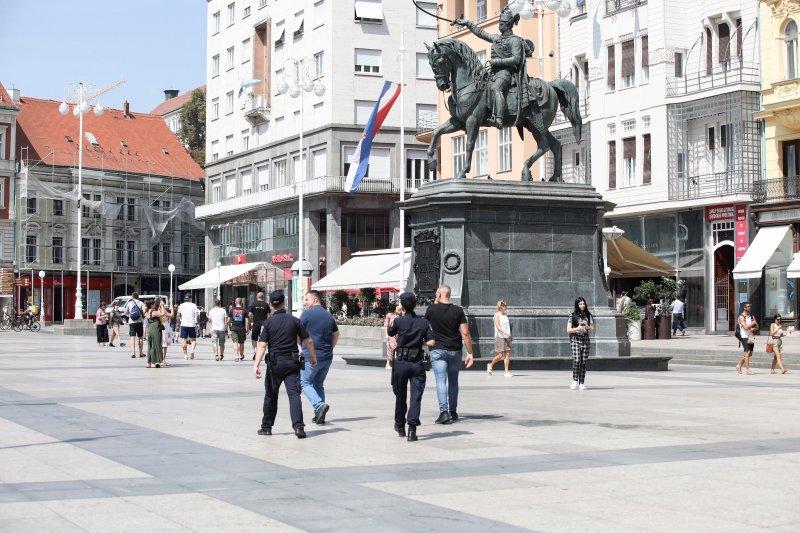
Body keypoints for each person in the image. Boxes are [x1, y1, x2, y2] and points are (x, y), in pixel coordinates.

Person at [452, 6, 538, 127]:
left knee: (496, 88)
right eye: (499, 23)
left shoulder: (515, 41)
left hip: (506, 73)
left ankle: (499, 119)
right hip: (494, 72)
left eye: (502, 24)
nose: (499, 26)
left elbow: (516, 59)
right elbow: (481, 33)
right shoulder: (497, 38)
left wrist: (497, 62)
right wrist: (468, 23)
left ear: (508, 25)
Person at [253, 290, 317, 439]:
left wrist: (256, 365)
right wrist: (313, 357)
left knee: (270, 396)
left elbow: (262, 345)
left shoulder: (268, 323)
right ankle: (299, 428)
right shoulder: (294, 321)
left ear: (271, 305)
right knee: (294, 395)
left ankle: (266, 427)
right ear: (283, 303)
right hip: (292, 364)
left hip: (274, 365)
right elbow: (308, 341)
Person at [388, 292, 435, 442]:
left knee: (400, 395)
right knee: (416, 397)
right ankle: (412, 429)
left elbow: (390, 332)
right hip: (417, 363)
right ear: (415, 305)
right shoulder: (423, 322)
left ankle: (399, 425)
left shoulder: (399, 321)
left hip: (401, 362)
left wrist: (397, 315)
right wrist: (419, 344)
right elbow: (432, 342)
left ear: (402, 305)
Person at [425, 285, 474, 424]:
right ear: (450, 295)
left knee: (440, 381)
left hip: (438, 349)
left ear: (439, 295)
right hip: (455, 350)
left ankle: (444, 412)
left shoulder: (431, 309)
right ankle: (453, 411)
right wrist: (470, 353)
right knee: (453, 381)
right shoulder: (458, 310)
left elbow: (424, 326)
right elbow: (465, 333)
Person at [300, 290, 339, 426]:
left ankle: (318, 405)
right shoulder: (328, 315)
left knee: (304, 382)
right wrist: (331, 347)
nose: (305, 303)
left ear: (315, 300)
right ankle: (319, 415)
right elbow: (336, 334)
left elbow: (298, 333)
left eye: (307, 300)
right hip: (327, 356)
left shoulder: (306, 314)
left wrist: (301, 346)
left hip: (312, 355)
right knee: (318, 384)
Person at [567, 297, 595, 390]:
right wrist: (577, 328)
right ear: (577, 305)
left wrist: (587, 327)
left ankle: (581, 383)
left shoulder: (588, 315)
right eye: (580, 304)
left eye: (583, 303)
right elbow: (568, 330)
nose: (582, 305)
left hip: (585, 339)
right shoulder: (572, 315)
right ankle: (575, 380)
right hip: (575, 339)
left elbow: (592, 328)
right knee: (577, 360)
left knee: (584, 362)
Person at [488, 299, 513, 377]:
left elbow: (508, 327)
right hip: (500, 336)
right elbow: (498, 326)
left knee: (508, 354)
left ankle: (506, 372)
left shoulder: (505, 315)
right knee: (500, 355)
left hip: (507, 337)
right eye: (504, 305)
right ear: (500, 306)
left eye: (506, 305)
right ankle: (490, 365)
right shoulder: (496, 315)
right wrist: (505, 332)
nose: (506, 307)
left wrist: (510, 335)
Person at [145, 298, 168, 368]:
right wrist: (162, 306)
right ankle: (155, 362)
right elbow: (163, 314)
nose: (155, 305)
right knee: (156, 345)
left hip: (150, 328)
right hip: (155, 329)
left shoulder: (147, 311)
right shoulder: (154, 312)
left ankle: (149, 362)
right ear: (152, 305)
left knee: (150, 345)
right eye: (154, 304)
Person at [736, 302, 758, 375]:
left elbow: (757, 327)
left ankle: (739, 365)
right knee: (747, 352)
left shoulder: (752, 316)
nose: (750, 307)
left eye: (750, 306)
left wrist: (753, 329)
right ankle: (748, 369)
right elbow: (745, 327)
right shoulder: (741, 317)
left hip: (751, 336)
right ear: (744, 308)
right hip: (744, 336)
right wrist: (752, 324)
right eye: (748, 306)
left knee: (750, 353)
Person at [248, 292, 270, 361]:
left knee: (254, 339)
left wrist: (250, 322)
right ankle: (261, 352)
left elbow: (249, 314)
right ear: (263, 297)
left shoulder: (253, 304)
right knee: (263, 340)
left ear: (257, 297)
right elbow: (269, 316)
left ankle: (255, 350)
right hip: (264, 325)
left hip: (256, 324)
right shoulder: (266, 305)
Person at [177, 294, 199, 360]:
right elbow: (196, 315)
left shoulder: (181, 305)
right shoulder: (194, 305)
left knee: (184, 339)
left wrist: (178, 322)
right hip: (192, 324)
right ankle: (192, 350)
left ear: (185, 299)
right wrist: (196, 322)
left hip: (184, 324)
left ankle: (185, 354)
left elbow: (178, 315)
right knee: (193, 339)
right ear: (191, 299)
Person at [124, 292, 146, 359]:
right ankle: (141, 352)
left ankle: (133, 353)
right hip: (139, 322)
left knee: (132, 338)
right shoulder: (141, 303)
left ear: (132, 297)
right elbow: (144, 312)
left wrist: (130, 315)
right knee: (140, 338)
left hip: (131, 322)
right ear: (138, 297)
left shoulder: (129, 303)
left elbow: (125, 312)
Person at [228, 297, 248, 361]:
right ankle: (241, 355)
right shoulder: (244, 310)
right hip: (242, 328)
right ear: (241, 303)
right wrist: (247, 328)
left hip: (234, 328)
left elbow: (228, 320)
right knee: (241, 343)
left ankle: (236, 356)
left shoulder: (232, 310)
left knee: (235, 342)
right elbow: (247, 321)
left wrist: (229, 326)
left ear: (235, 302)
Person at [384, 304, 403, 369]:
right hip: (391, 334)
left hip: (397, 334)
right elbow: (386, 325)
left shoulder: (398, 315)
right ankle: (391, 363)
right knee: (393, 347)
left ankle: (389, 363)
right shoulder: (388, 315)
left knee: (392, 348)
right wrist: (386, 334)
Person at [161, 299, 175, 365]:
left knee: (161, 345)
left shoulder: (156, 310)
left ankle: (161, 359)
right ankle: (163, 360)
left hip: (160, 328)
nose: (163, 303)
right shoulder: (162, 310)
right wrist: (172, 308)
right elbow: (172, 315)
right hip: (164, 329)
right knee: (164, 345)